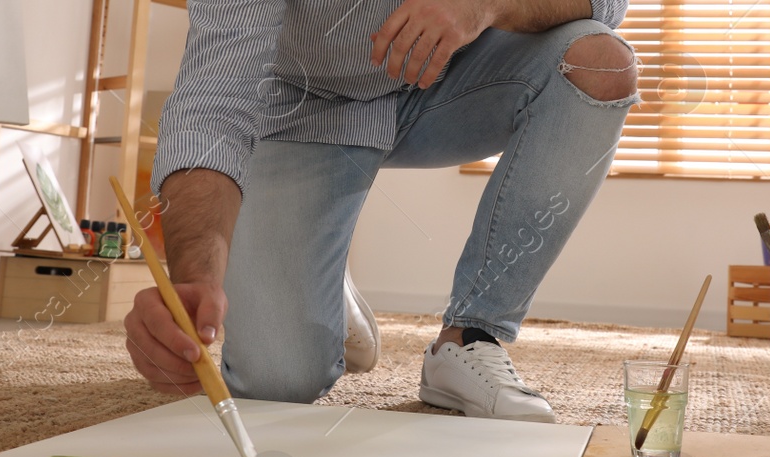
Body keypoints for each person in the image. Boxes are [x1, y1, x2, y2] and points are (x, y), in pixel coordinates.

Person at [123, 0, 637, 423]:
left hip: (452, 81)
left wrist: (488, 6)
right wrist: (193, 278)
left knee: (599, 61)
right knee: (277, 383)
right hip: (302, 107)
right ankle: (324, 275)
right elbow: (213, 102)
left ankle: (471, 336)